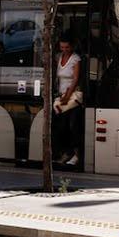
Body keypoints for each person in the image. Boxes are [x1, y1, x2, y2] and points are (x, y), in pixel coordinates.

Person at [52, 35, 83, 166]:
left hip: (71, 98)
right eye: (62, 47)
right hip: (61, 96)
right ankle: (65, 153)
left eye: (67, 47)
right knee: (60, 127)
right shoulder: (58, 57)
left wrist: (66, 96)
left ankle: (76, 155)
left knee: (73, 127)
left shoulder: (76, 59)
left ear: (72, 47)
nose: (64, 50)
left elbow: (75, 79)